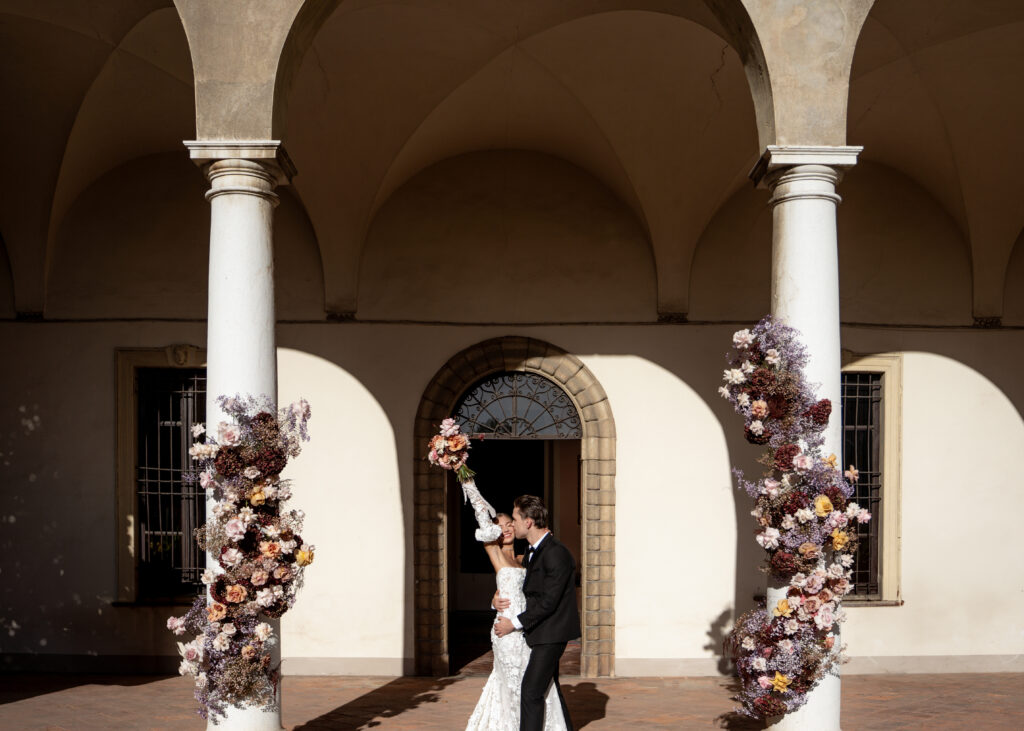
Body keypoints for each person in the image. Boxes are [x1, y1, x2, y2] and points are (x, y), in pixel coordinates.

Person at [466, 508, 569, 731]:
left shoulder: (527, 558)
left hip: (526, 630)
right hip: (506, 631)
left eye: (509, 523)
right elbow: (481, 516)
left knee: (530, 685)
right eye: (499, 526)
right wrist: (465, 478)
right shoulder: (494, 552)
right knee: (514, 684)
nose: (506, 528)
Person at [493, 495, 579, 731]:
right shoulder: (532, 552)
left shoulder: (555, 553)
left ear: (529, 522)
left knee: (530, 691)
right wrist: (496, 597)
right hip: (540, 632)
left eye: (516, 519)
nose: (513, 524)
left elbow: (549, 602)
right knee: (550, 687)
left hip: (551, 633)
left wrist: (514, 624)